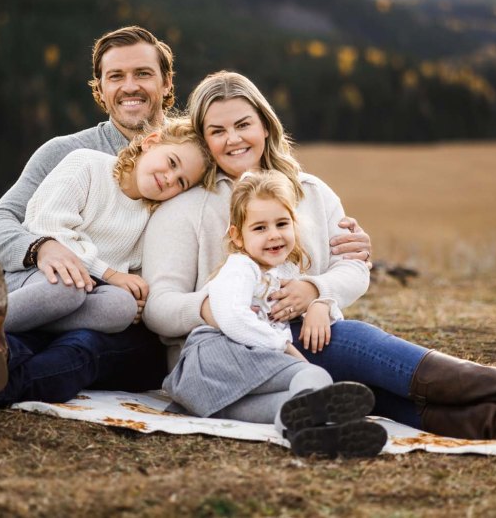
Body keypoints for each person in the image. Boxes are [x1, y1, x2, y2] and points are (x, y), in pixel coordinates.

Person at [143, 71, 496, 444]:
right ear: (203, 140)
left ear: (265, 124)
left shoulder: (312, 193)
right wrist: (224, 307)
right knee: (353, 340)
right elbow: (159, 308)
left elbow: (354, 267)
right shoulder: (184, 209)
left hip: (305, 333)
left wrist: (315, 291)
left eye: (243, 124)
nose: (233, 139)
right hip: (231, 352)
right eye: (217, 131)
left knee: (369, 393)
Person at [0, 26, 184, 412]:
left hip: (125, 319)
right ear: (100, 89)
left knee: (80, 346)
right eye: (116, 76)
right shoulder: (68, 153)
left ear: (167, 83)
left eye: (143, 74)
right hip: (54, 290)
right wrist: (42, 248)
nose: (129, 86)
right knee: (38, 331)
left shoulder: (187, 167)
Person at [163, 170, 386, 457]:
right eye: (259, 228)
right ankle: (319, 423)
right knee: (312, 376)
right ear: (237, 236)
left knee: (291, 403)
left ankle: (313, 437)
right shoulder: (240, 268)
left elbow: (290, 313)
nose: (274, 235)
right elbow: (231, 318)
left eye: (282, 223)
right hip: (217, 356)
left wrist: (322, 304)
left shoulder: (284, 273)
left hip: (219, 389)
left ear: (294, 225)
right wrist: (283, 346)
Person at [3, 116, 212, 337]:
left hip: (86, 290)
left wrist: (136, 295)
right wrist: (110, 275)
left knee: (122, 307)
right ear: (151, 143)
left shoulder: (152, 217)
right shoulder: (87, 165)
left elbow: (135, 270)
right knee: (69, 288)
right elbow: (48, 228)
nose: (170, 178)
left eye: (181, 182)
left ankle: (9, 329)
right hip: (35, 273)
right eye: (172, 162)